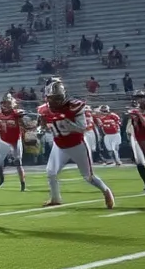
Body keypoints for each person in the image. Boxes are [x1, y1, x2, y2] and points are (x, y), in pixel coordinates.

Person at [36, 78, 115, 209]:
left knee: (88, 176)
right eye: (53, 98)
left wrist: (66, 121)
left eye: (58, 98)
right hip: (59, 145)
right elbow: (41, 127)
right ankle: (55, 198)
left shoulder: (74, 106)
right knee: (51, 172)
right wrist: (41, 128)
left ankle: (106, 191)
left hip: (77, 145)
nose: (56, 101)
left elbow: (82, 128)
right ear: (47, 97)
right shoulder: (43, 110)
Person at [0, 94, 30, 191]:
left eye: (7, 103)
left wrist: (21, 118)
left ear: (12, 103)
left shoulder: (16, 114)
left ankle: (23, 184)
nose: (5, 105)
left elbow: (25, 125)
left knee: (18, 162)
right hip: (3, 140)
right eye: (3, 103)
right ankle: (1, 179)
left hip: (15, 140)